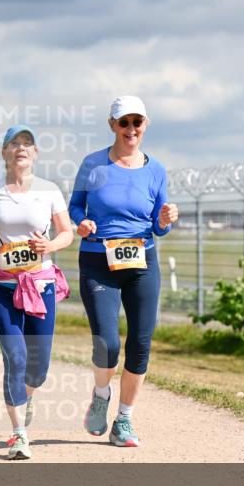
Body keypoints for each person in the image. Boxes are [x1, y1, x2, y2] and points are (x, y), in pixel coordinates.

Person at [69, 96, 178, 448]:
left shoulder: (156, 170)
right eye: (124, 122)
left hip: (142, 261)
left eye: (137, 122)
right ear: (112, 125)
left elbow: (158, 225)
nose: (131, 129)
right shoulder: (93, 165)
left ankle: (124, 420)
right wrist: (81, 223)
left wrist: (163, 222)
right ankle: (101, 395)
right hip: (98, 260)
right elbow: (75, 206)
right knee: (108, 342)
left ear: (145, 125)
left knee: (141, 344)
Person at [0, 125, 73, 460]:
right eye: (14, 143)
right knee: (16, 357)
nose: (21, 148)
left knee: (37, 369)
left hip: (40, 284)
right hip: (1, 284)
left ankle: (25, 397)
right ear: (4, 153)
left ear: (36, 154)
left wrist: (50, 244)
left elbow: (66, 233)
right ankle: (18, 434)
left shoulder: (50, 191)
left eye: (27, 143)